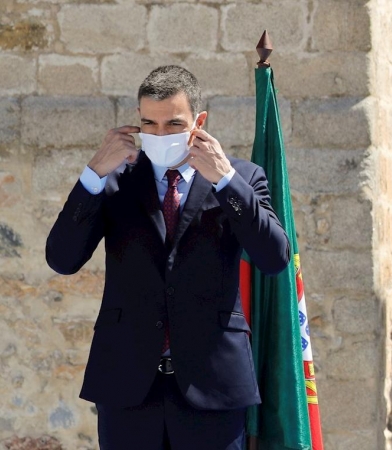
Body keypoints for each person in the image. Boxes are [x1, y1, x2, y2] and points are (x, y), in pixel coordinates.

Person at [46, 65, 290, 450]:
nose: (159, 134)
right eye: (149, 123)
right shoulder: (114, 180)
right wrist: (92, 173)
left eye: (173, 124)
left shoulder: (242, 177)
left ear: (199, 122)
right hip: (127, 385)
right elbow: (61, 258)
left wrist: (226, 180)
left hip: (213, 385)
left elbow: (275, 257)